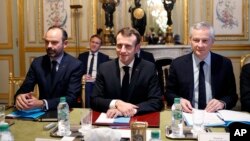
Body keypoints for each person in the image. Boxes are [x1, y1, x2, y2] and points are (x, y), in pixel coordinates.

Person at [165, 21, 238, 113]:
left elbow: (232, 96)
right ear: (190, 40)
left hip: (215, 115)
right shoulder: (177, 64)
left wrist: (222, 103)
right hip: (188, 114)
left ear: (212, 41)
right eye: (196, 40)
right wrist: (179, 101)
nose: (200, 45)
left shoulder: (224, 64)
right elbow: (169, 93)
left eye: (205, 40)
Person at [90, 27, 163, 118]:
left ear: (137, 48)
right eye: (119, 45)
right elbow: (94, 100)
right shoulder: (104, 68)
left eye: (128, 46)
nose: (122, 50)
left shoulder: (148, 68)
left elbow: (156, 101)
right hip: (110, 122)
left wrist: (130, 111)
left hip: (139, 121)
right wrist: (116, 103)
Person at [14, 26, 84, 111]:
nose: (49, 46)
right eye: (47, 42)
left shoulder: (75, 65)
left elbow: (71, 98)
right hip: (41, 113)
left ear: (65, 44)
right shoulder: (37, 63)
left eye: (54, 42)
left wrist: (42, 103)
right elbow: (24, 89)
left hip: (66, 113)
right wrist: (20, 97)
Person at [78, 35, 110, 108]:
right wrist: (83, 76)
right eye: (93, 42)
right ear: (90, 43)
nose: (94, 44)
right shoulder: (82, 56)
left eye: (97, 43)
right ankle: (88, 110)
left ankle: (88, 109)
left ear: (100, 46)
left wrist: (95, 79)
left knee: (90, 86)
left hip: (97, 82)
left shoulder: (104, 58)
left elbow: (106, 75)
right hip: (85, 82)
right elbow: (77, 72)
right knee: (88, 85)